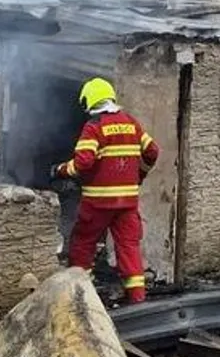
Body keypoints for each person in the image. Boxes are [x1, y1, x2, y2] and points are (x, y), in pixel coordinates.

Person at [52, 77, 159, 304]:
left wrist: (61, 170)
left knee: (82, 244)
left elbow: (83, 162)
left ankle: (81, 297)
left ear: (89, 101)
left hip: (98, 203)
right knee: (129, 248)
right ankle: (137, 299)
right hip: (127, 203)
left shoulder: (94, 127)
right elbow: (152, 152)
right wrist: (139, 175)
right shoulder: (131, 122)